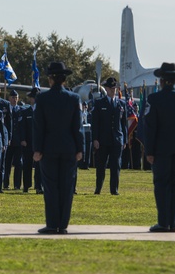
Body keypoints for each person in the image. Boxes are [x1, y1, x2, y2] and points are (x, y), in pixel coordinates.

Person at [142, 63, 175, 233]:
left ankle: (163, 222)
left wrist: (149, 151)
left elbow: (151, 128)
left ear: (162, 80)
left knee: (162, 184)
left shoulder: (154, 99)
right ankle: (173, 223)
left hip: (161, 150)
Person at [32, 61, 83, 234]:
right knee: (67, 187)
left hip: (49, 148)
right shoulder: (73, 98)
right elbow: (78, 127)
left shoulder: (43, 98)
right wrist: (80, 149)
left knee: (51, 187)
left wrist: (37, 149)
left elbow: (39, 126)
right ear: (64, 79)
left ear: (51, 79)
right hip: (69, 148)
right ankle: (63, 225)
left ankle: (52, 224)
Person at [91, 76, 128, 195]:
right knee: (101, 165)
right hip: (103, 139)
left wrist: (125, 140)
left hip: (117, 140)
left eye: (115, 88)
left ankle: (114, 189)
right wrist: (95, 139)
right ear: (106, 89)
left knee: (116, 165)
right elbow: (95, 123)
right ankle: (98, 188)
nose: (114, 91)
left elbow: (124, 124)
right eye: (111, 88)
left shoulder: (121, 104)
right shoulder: (99, 103)